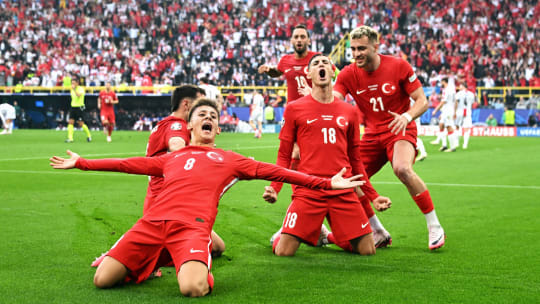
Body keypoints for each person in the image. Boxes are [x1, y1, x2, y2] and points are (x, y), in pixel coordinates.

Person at [50, 98, 365, 297]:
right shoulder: (170, 158)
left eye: (212, 116)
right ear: (189, 125)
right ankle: (150, 260)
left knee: (193, 288)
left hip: (191, 229)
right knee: (103, 281)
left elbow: (277, 172)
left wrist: (324, 183)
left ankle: (199, 266)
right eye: (201, 114)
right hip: (150, 225)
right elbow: (127, 164)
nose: (208, 118)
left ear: (217, 128)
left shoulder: (230, 160)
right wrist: (82, 163)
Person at [260, 25, 391, 247]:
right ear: (308, 74)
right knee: (294, 160)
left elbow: (355, 159)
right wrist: (275, 187)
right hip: (300, 139)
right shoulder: (285, 64)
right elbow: (282, 155)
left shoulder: (347, 110)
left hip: (340, 185)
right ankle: (294, 225)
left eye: (303, 36)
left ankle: (330, 234)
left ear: (332, 71)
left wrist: (373, 195)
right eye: (296, 36)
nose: (299, 39)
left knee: (367, 249)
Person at [333, 25, 446, 250]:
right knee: (348, 181)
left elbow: (422, 101)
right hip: (372, 134)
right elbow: (335, 100)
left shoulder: (398, 65)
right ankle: (378, 230)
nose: (356, 54)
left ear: (376, 46)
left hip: (400, 128)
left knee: (402, 169)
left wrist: (406, 116)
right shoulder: (348, 73)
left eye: (362, 48)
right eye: (353, 49)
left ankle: (434, 225)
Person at [90, 85, 226, 269]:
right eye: (198, 103)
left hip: (163, 198)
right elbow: (176, 144)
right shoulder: (176, 126)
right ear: (186, 105)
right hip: (166, 205)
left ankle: (149, 254)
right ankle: (123, 254)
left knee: (217, 247)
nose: (202, 109)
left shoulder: (166, 124)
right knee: (201, 247)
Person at [431, 77, 459, 152]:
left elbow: (443, 102)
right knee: (441, 125)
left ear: (444, 82)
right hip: (447, 110)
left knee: (449, 127)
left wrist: (435, 110)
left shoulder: (446, 90)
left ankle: (453, 147)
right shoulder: (452, 90)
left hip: (448, 111)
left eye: (441, 82)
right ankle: (444, 145)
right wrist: (454, 111)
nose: (441, 84)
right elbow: (456, 101)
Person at [66, 78, 92, 143]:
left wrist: (74, 89)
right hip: (73, 107)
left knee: (81, 123)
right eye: (72, 83)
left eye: (74, 83)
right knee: (70, 122)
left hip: (79, 108)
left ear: (77, 83)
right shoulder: (72, 90)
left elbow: (78, 95)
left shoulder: (81, 89)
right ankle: (70, 138)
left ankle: (89, 135)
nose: (73, 85)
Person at [455, 82, 475, 149]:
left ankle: (456, 143)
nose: (459, 87)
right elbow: (472, 104)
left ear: (463, 86)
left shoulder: (458, 94)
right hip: (468, 112)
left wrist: (454, 112)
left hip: (459, 111)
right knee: (466, 129)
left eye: (460, 86)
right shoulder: (471, 94)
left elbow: (456, 103)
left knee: (457, 127)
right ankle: (465, 144)